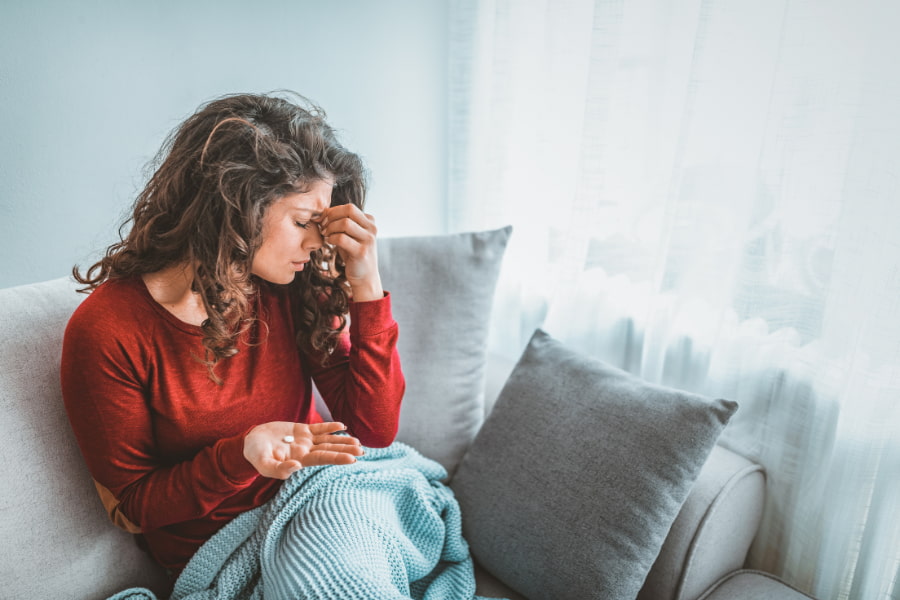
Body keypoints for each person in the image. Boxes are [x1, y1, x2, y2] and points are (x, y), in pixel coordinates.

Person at [60, 92, 405, 578]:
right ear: (236, 206)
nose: (316, 242)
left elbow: (374, 430)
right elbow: (135, 504)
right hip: (219, 551)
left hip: (322, 497)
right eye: (305, 221)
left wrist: (366, 287)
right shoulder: (108, 331)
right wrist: (240, 456)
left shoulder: (289, 286)